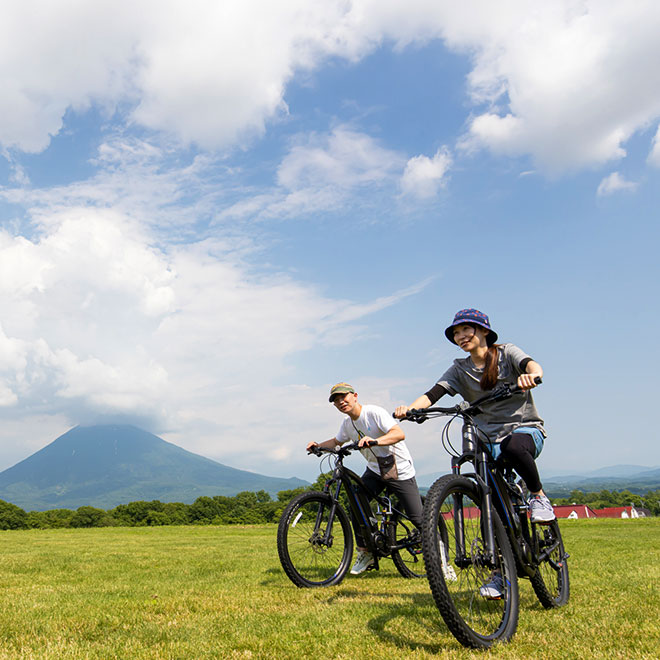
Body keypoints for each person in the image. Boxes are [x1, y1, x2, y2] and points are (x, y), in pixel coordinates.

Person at [394, 309, 555, 598]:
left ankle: (538, 496)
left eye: (465, 329)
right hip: (485, 437)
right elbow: (433, 394)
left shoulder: (506, 353)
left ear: (483, 331)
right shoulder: (458, 368)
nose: (460, 336)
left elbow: (532, 365)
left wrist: (533, 375)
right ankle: (498, 574)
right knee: (487, 502)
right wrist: (412, 409)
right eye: (456, 333)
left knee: (514, 447)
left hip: (524, 430)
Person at [307, 382, 424, 575]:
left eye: (343, 397)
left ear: (355, 396)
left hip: (398, 468)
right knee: (356, 501)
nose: (340, 402)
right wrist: (318, 446)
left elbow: (398, 433)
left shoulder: (373, 413)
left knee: (418, 518)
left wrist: (375, 440)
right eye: (336, 400)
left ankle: (441, 558)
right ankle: (366, 550)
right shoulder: (347, 424)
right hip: (375, 470)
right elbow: (337, 442)